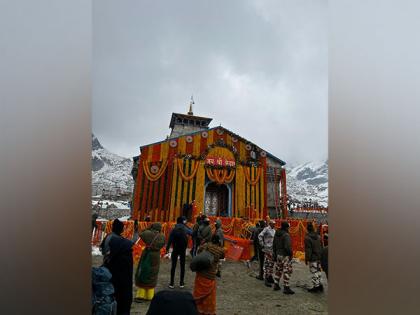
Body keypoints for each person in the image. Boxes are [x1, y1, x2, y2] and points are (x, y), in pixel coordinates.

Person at [103, 219, 134, 315]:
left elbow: (105, 252)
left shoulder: (109, 237)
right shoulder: (124, 244)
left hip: (110, 270)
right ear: (120, 229)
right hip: (119, 275)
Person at [193, 234, 225, 315]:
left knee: (198, 294)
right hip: (210, 276)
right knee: (209, 298)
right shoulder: (220, 250)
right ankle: (207, 311)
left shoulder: (205, 246)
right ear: (219, 241)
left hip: (200, 273)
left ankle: (197, 309)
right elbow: (222, 256)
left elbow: (198, 251)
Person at [134, 222, 166, 302]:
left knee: (144, 272)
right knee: (153, 273)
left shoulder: (148, 234)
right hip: (156, 255)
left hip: (147, 254)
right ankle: (150, 296)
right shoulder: (162, 236)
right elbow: (163, 244)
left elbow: (141, 233)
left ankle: (141, 295)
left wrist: (148, 228)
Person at [166, 216, 190, 289]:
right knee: (182, 266)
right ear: (183, 221)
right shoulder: (185, 229)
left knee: (173, 266)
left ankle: (172, 283)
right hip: (182, 249)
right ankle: (181, 283)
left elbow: (170, 240)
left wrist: (167, 248)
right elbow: (192, 233)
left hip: (175, 249)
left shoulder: (174, 229)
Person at [272, 221, 295, 294]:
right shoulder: (286, 235)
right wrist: (291, 254)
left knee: (278, 269)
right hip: (285, 255)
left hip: (278, 254)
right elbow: (287, 247)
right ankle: (286, 287)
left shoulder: (276, 233)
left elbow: (274, 245)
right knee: (287, 271)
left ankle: (276, 284)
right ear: (286, 227)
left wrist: (275, 254)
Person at [305, 223, 324, 292]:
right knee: (319, 272)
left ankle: (316, 287)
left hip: (313, 258)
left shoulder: (307, 238)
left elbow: (308, 250)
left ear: (307, 229)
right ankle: (320, 285)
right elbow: (322, 247)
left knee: (314, 272)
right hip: (319, 257)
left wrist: (307, 259)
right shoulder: (318, 237)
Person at [258, 220, 276, 287]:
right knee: (266, 264)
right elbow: (260, 236)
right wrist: (262, 244)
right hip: (267, 249)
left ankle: (270, 277)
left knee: (271, 264)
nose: (274, 225)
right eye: (273, 224)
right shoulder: (266, 229)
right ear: (270, 224)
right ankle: (266, 279)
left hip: (272, 249)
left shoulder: (274, 230)